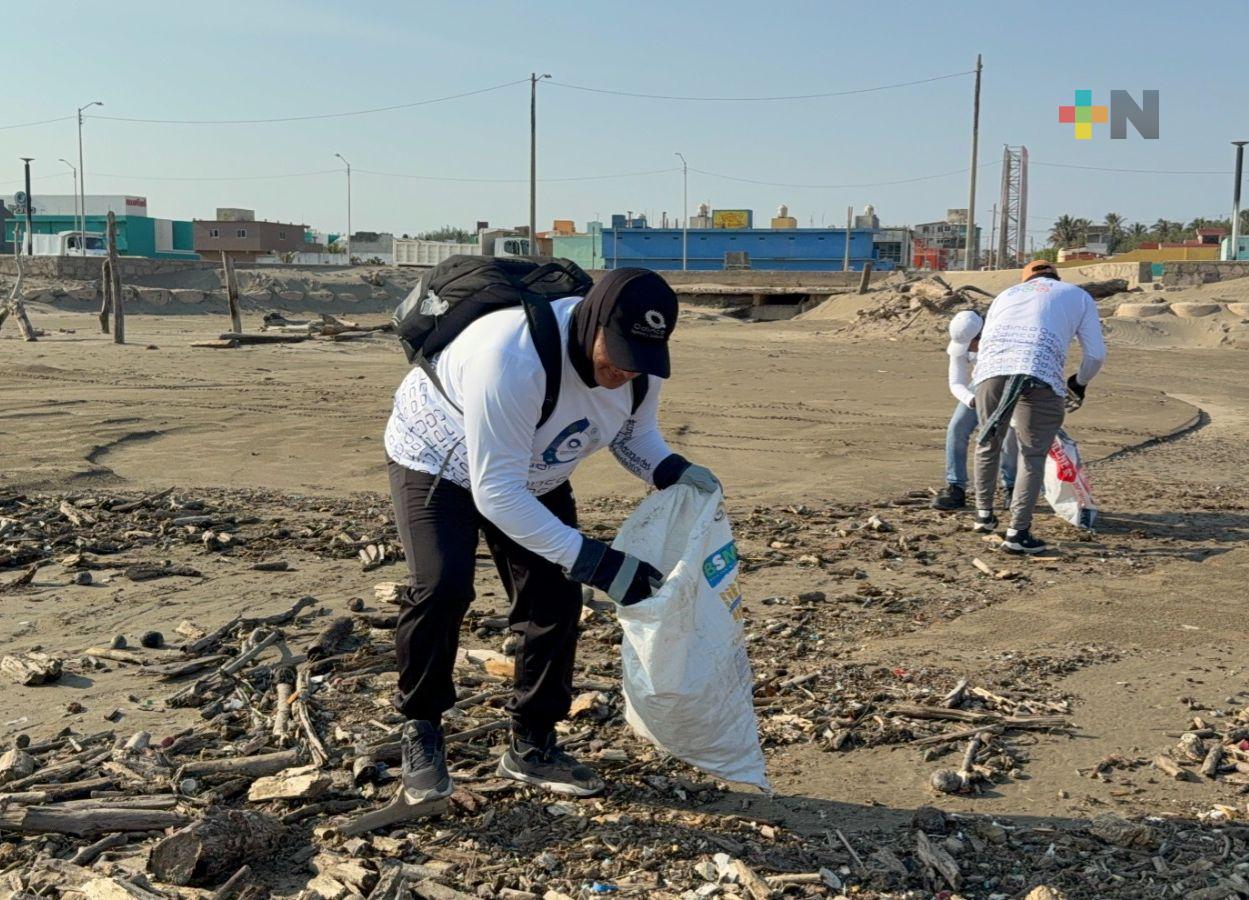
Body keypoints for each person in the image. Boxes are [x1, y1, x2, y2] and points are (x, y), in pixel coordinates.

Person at [383, 267, 719, 803]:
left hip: (537, 472)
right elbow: (495, 493)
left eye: (641, 361)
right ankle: (421, 728)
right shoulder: (511, 359)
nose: (625, 371)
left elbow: (636, 434)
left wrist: (672, 470)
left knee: (555, 601)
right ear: (591, 322)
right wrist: (599, 563)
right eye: (620, 353)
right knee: (442, 587)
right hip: (439, 461)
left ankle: (532, 745)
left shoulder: (640, 367)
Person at [971, 259, 1107, 554]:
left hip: (991, 369)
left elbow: (985, 342)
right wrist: (1079, 382)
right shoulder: (1078, 295)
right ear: (1056, 277)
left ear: (1025, 280)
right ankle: (1017, 532)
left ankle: (983, 516)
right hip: (1040, 371)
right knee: (1031, 455)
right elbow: (1095, 355)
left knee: (987, 441)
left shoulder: (1005, 296)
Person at [931, 310, 1018, 510]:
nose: (969, 348)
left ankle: (1011, 487)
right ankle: (956, 487)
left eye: (972, 343)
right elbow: (956, 383)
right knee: (956, 428)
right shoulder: (960, 347)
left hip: (1009, 382)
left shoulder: (1004, 340)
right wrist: (972, 401)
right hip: (979, 386)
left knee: (1008, 434)